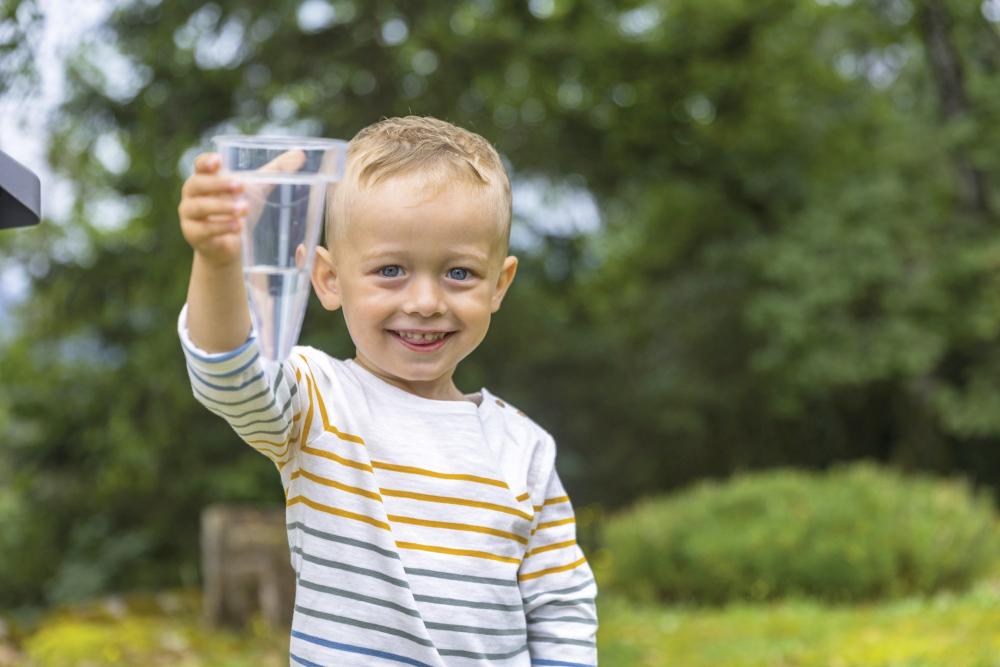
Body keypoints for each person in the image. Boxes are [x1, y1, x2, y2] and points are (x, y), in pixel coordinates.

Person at [176, 116, 598, 666]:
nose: (425, 300)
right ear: (327, 278)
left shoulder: (526, 450)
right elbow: (229, 375)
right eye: (391, 269)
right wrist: (218, 259)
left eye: (460, 274)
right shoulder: (318, 400)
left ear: (500, 284)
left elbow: (561, 609)